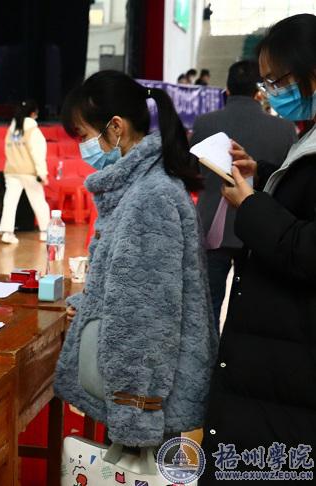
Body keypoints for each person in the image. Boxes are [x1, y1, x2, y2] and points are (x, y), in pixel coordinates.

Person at [54, 70, 218, 447]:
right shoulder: (143, 186)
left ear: (116, 127)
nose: (83, 147)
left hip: (148, 402)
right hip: (151, 391)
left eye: (84, 135)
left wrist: (135, 411)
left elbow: (145, 318)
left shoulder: (149, 197)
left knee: (139, 469)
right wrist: (92, 304)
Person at [200, 14, 316, 483]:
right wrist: (264, 173)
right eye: (266, 83)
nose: (272, 92)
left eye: (279, 80)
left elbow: (306, 247)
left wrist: (249, 204)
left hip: (294, 356)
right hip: (277, 353)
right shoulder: (304, 132)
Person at [191, 60, 296, 330]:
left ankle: (209, 356)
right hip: (260, 229)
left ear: (226, 90)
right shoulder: (284, 129)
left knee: (208, 307)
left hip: (211, 229)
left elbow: (192, 173)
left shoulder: (204, 123)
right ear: (259, 92)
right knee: (249, 309)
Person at [0, 99, 51, 244]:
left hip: (11, 170)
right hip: (29, 172)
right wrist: (42, 173)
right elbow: (38, 154)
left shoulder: (11, 130)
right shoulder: (33, 131)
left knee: (10, 202)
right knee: (39, 201)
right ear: (33, 113)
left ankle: (7, 233)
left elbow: (6, 150)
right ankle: (45, 233)